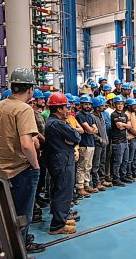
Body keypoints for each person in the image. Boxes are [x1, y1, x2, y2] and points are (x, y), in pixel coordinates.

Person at [0, 68, 45, 253]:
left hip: (0, 169)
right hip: (21, 170)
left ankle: (10, 248)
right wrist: (35, 166)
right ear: (30, 89)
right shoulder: (24, 109)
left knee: (7, 214)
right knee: (22, 216)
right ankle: (18, 252)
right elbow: (27, 144)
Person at [44, 92, 81, 235]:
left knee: (59, 189)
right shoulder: (57, 124)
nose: (68, 110)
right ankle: (57, 225)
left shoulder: (52, 122)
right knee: (63, 191)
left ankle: (61, 218)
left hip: (59, 159)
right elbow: (76, 136)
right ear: (59, 109)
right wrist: (71, 138)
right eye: (66, 107)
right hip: (62, 160)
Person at [75, 94, 99, 196]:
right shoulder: (79, 115)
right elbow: (88, 130)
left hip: (91, 143)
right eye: (86, 104)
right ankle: (80, 187)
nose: (88, 106)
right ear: (81, 104)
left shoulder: (90, 116)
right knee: (82, 166)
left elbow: (95, 130)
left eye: (89, 104)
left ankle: (86, 184)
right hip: (83, 144)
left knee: (88, 166)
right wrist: (91, 130)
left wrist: (91, 130)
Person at [110, 95, 133, 185]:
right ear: (115, 105)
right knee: (117, 161)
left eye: (121, 104)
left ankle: (123, 176)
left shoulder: (125, 115)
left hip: (125, 140)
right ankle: (116, 179)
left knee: (125, 160)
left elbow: (129, 126)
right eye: (118, 104)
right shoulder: (114, 114)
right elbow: (118, 126)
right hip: (117, 142)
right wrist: (125, 125)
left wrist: (124, 125)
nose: (120, 105)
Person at [90, 97, 109, 192]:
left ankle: (102, 180)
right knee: (96, 164)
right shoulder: (92, 117)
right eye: (102, 105)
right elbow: (92, 132)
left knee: (102, 163)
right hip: (97, 144)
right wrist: (99, 139)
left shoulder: (102, 115)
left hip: (104, 143)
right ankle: (96, 182)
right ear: (97, 107)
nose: (104, 107)